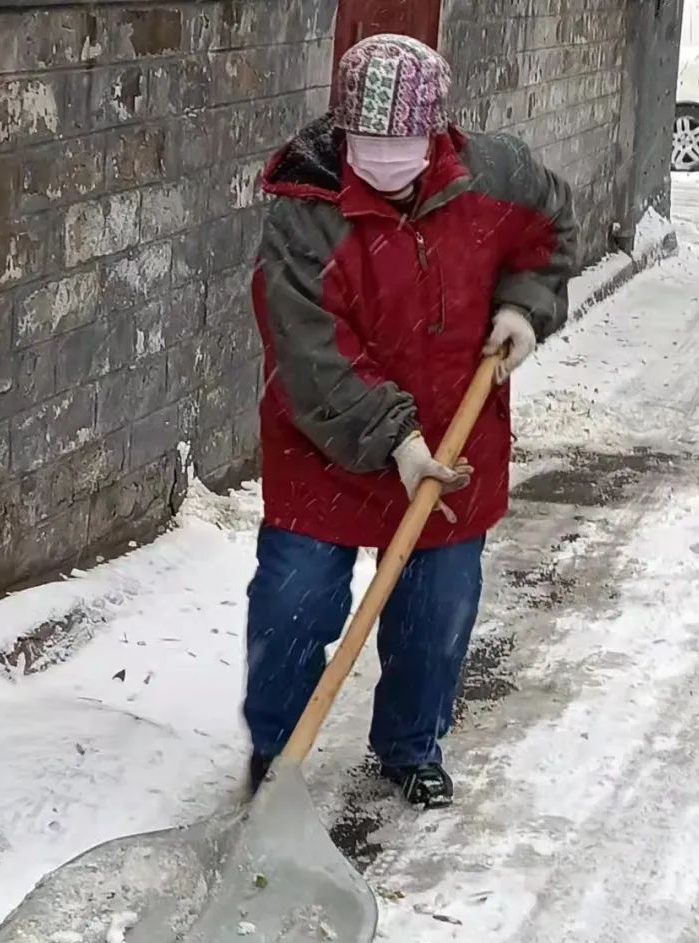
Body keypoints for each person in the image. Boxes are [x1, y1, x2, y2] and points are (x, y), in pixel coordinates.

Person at [244, 33, 578, 807]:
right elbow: (310, 350)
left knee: (437, 614)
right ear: (342, 129)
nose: (384, 158)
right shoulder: (307, 211)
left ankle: (408, 747)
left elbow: (549, 238)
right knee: (295, 604)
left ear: (435, 131)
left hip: (455, 440)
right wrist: (395, 438)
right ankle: (277, 758)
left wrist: (525, 310)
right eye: (368, 142)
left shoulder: (496, 176)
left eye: (401, 143)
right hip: (325, 441)